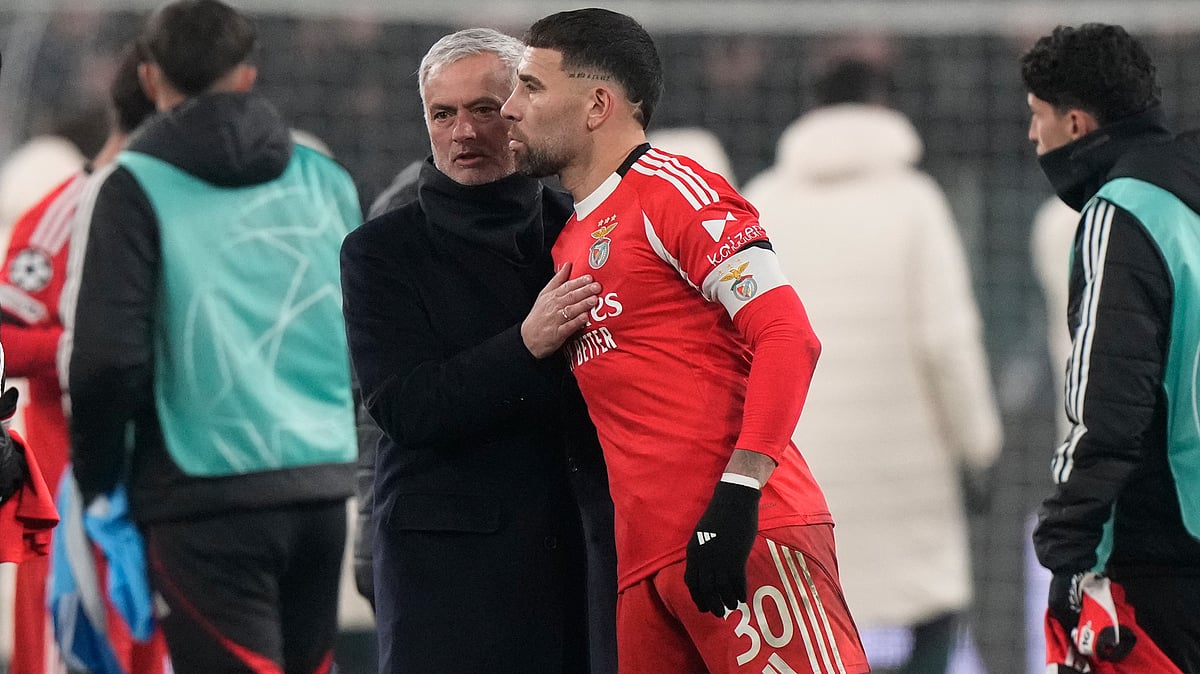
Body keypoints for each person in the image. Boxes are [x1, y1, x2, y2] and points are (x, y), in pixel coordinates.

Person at [502, 9, 868, 673]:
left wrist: (739, 494)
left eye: (529, 87)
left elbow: (788, 335)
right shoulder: (568, 242)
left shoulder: (675, 192)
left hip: (743, 535)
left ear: (596, 105)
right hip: (645, 570)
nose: (508, 108)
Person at [65, 1, 361, 672]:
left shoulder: (132, 186)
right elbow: (358, 328)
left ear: (148, 78)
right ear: (248, 74)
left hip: (200, 493)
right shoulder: (327, 180)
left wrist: (99, 481)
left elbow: (108, 360)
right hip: (318, 484)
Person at [340, 28, 617, 673]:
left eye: (484, 110)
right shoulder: (380, 251)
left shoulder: (579, 229)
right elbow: (404, 406)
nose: (464, 133)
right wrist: (525, 345)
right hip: (447, 575)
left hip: (574, 556)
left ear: (522, 110)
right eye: (444, 114)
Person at [742, 58, 1002, 673]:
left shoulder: (761, 201)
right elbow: (948, 344)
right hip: (906, 472)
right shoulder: (915, 203)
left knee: (806, 628)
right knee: (929, 618)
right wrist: (979, 448)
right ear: (883, 106)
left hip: (795, 468)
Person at [1022, 23, 1200, 671]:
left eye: (1036, 116)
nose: (1032, 135)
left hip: (1161, 543)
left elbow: (1107, 396)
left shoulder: (1121, 210)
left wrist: (1071, 551)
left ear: (1076, 123)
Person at [2, 44, 166, 674]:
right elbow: (6, 338)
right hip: (70, 498)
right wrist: (95, 347)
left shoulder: (173, 211)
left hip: (160, 494)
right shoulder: (64, 213)